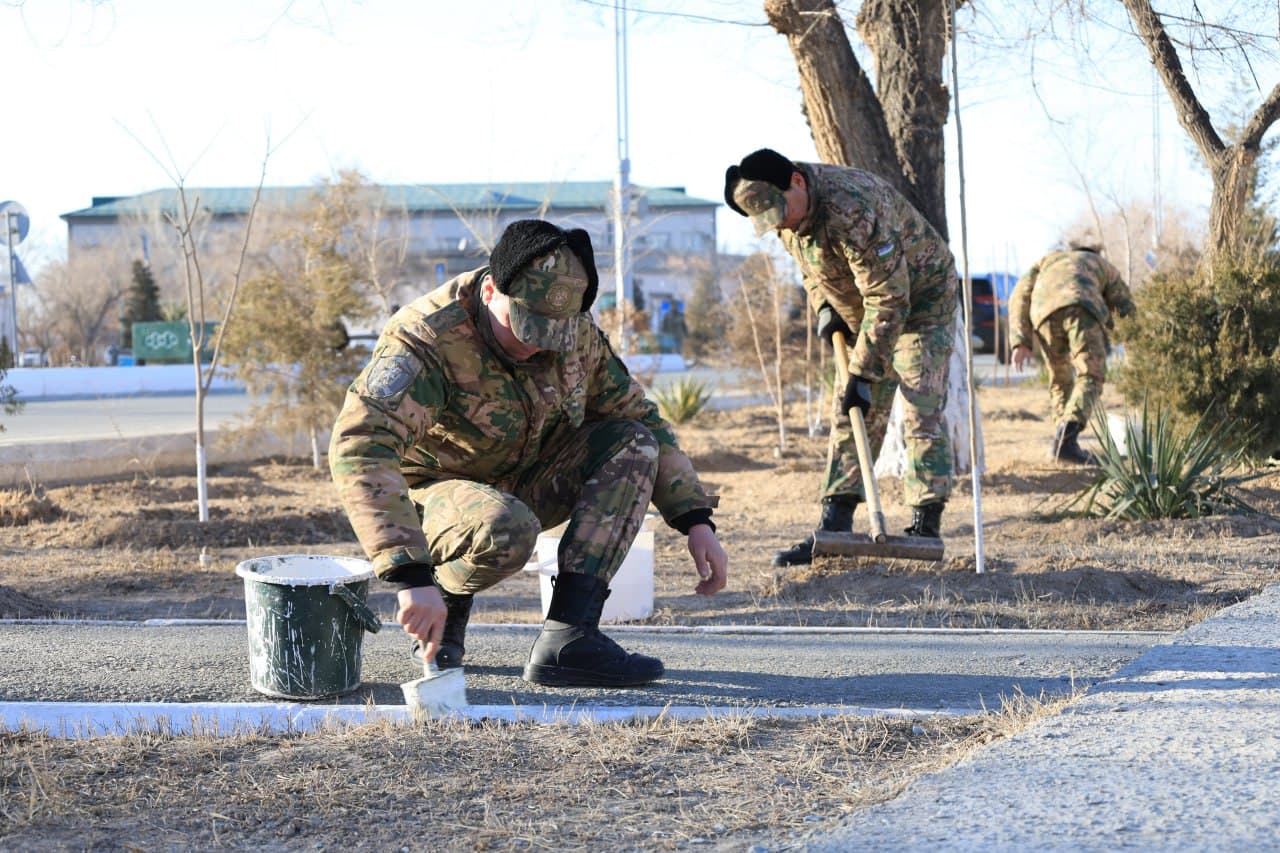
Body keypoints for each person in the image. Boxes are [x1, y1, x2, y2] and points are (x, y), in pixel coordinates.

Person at [329, 219, 728, 688]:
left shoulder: (575, 331)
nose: (535, 343)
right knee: (507, 526)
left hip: (527, 477)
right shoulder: (429, 337)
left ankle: (570, 638)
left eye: (550, 331)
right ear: (492, 289)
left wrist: (694, 518)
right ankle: (446, 592)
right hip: (435, 498)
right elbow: (361, 444)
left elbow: (638, 416)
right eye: (525, 326)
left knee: (632, 441)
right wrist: (411, 576)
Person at [723, 148, 958, 567]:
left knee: (921, 406)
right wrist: (826, 310)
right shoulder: (783, 216)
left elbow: (890, 299)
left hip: (921, 303)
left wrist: (863, 372)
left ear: (796, 181)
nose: (779, 223)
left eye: (780, 210)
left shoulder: (851, 207)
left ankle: (925, 525)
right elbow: (812, 271)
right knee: (850, 410)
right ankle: (834, 526)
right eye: (769, 219)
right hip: (863, 311)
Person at [1008, 242, 1135, 465]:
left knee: (1060, 378)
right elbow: (1125, 305)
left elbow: (1019, 295)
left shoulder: (1047, 261)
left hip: (1043, 314)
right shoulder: (1101, 263)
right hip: (1081, 307)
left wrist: (1021, 340)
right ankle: (1067, 440)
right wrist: (1138, 341)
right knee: (1091, 374)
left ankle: (1063, 444)